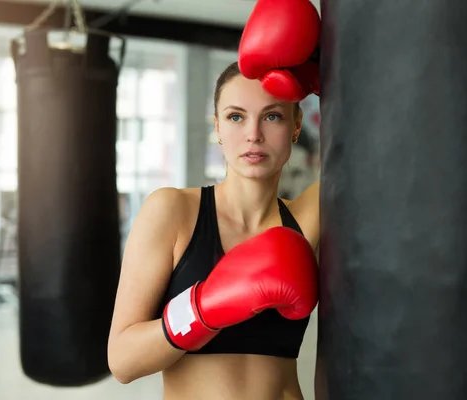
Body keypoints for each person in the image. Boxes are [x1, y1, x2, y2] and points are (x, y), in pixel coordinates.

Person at [107, 60, 321, 400]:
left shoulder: (309, 220)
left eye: (272, 116)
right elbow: (122, 361)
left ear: (297, 125)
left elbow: (376, 157)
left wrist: (339, 81)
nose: (253, 134)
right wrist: (202, 310)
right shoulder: (173, 211)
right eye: (236, 116)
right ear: (218, 127)